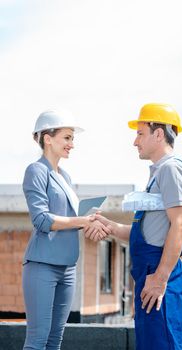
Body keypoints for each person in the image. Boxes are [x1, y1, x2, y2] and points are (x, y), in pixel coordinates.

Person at [86, 103, 182, 350]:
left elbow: (180, 225)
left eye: (140, 133)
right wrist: (111, 226)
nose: (135, 142)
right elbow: (147, 233)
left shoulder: (171, 169)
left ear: (159, 134)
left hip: (158, 274)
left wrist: (159, 278)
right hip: (151, 272)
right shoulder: (159, 173)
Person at [22, 109, 110, 350]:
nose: (72, 144)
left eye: (73, 138)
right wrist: (82, 220)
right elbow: (41, 219)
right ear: (47, 138)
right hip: (42, 265)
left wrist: (90, 220)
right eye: (67, 137)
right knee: (37, 341)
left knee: (55, 340)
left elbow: (69, 219)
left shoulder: (66, 177)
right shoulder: (36, 171)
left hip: (67, 268)